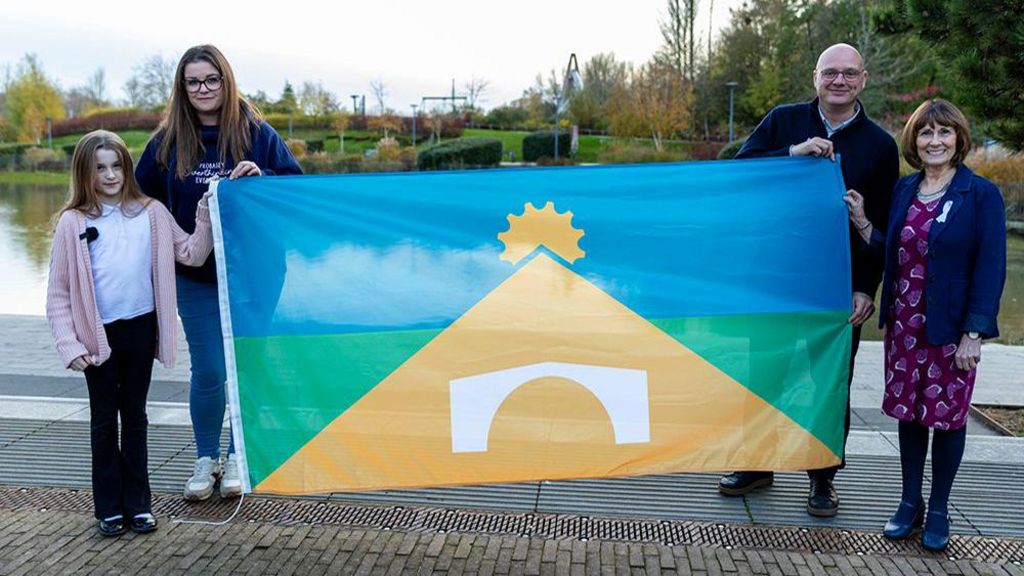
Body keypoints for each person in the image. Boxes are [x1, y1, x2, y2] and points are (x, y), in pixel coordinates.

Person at [718, 43, 900, 517]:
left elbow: (883, 224)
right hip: (775, 280)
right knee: (764, 375)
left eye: (849, 74)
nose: (839, 81)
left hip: (838, 287)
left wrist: (866, 288)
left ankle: (822, 476)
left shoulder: (881, 145)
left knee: (830, 384)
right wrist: (791, 155)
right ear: (815, 77)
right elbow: (738, 175)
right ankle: (757, 464)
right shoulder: (783, 121)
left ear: (863, 79)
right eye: (830, 73)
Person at [136, 44, 302, 501]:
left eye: (212, 79)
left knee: (247, 365)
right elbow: (140, 202)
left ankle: (237, 457)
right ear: (182, 88)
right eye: (193, 82)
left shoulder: (257, 133)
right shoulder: (167, 142)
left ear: (226, 81)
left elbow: (295, 190)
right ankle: (205, 457)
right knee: (209, 368)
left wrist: (262, 179)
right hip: (195, 275)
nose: (203, 89)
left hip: (255, 273)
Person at [844, 99, 1005, 551]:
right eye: (925, 132)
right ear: (914, 141)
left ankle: (938, 508)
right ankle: (909, 501)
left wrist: (973, 333)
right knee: (910, 415)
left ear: (959, 139)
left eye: (944, 132)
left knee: (948, 419)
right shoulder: (905, 190)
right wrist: (863, 222)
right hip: (904, 327)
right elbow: (893, 252)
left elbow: (990, 268)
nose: (935, 141)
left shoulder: (980, 194)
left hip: (950, 331)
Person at [46, 130, 213, 536]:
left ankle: (139, 505)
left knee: (135, 417)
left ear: (127, 168)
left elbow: (192, 253)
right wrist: (69, 343)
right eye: (99, 168)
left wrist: (207, 210)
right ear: (84, 173)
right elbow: (58, 291)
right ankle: (109, 508)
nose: (110, 175)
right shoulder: (73, 222)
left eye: (116, 166)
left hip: (140, 328)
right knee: (104, 420)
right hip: (96, 334)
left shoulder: (151, 213)